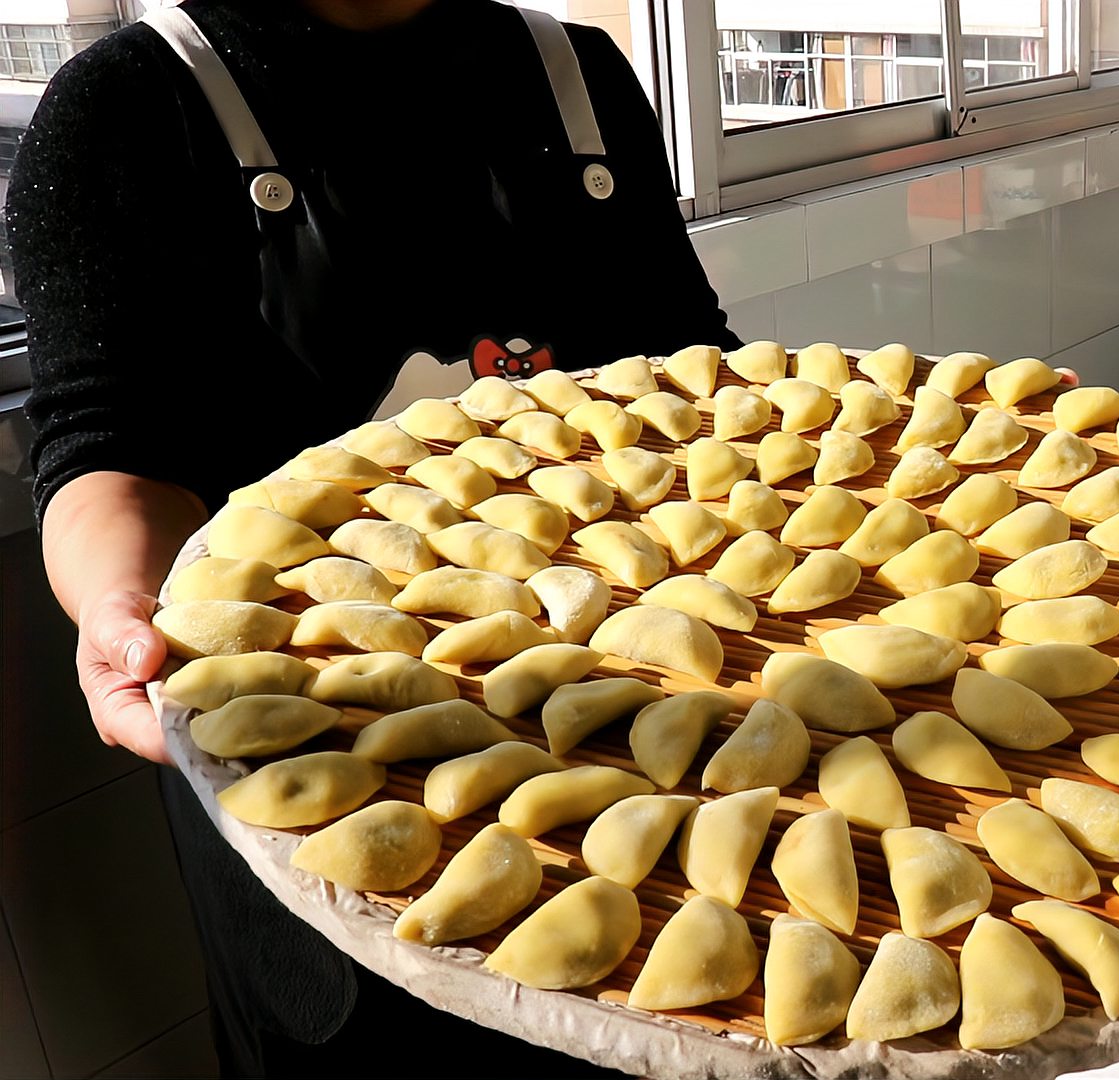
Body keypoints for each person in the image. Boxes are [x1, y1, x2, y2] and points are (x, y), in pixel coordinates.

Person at [11, 0, 737, 1073]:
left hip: (652, 727)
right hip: (316, 779)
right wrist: (121, 600)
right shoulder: (127, 104)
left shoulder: (573, 74)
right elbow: (104, 441)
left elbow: (691, 368)